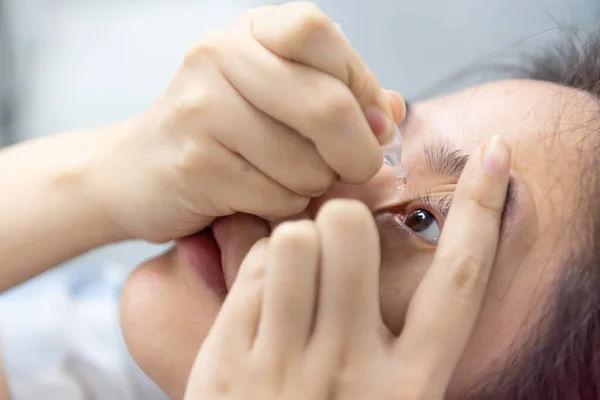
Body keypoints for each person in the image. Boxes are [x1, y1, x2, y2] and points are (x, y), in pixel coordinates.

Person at [0, 3, 594, 399]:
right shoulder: (97, 365)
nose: (312, 178)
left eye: (424, 222)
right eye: (386, 132)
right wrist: (107, 176)